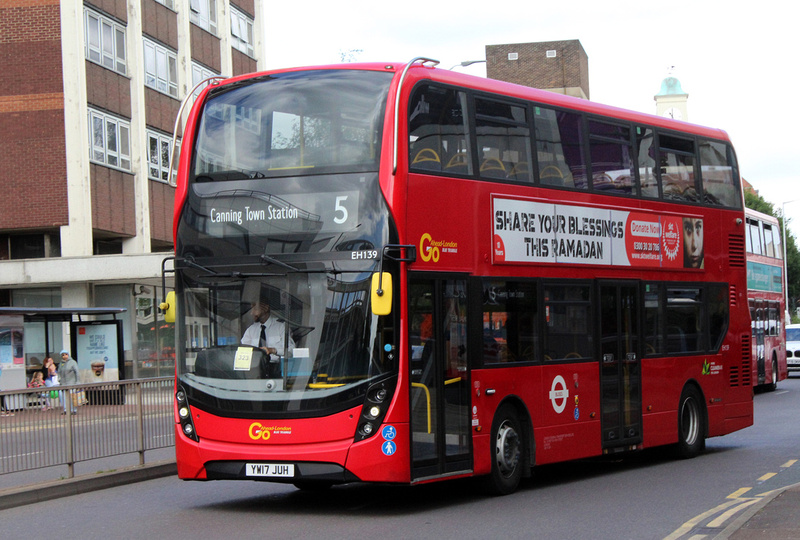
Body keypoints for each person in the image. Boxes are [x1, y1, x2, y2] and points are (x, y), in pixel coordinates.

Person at [58, 349, 79, 415]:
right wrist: (59, 380)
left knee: (72, 397)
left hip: (71, 382)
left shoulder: (73, 362)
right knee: (63, 396)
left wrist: (78, 382)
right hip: (63, 383)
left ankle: (73, 410)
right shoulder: (61, 364)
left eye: (66, 354)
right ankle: (65, 409)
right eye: (63, 355)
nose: (64, 356)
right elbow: (59, 372)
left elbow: (77, 372)